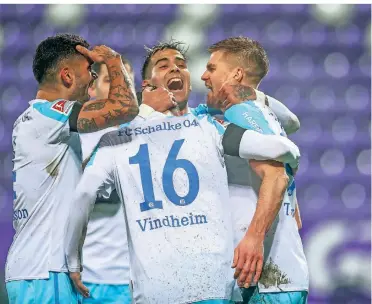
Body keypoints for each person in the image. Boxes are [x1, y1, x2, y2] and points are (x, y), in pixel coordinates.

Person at [67, 40, 300, 303]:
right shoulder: (210, 128)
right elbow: (282, 144)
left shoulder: (119, 139)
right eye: (163, 65)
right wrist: (291, 165)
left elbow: (83, 193)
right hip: (210, 287)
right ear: (146, 85)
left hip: (154, 290)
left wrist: (73, 260)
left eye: (181, 65)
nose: (176, 69)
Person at [5, 33, 138, 304]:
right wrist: (113, 60)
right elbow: (125, 107)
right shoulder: (52, 115)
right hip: (44, 271)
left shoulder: (37, 120)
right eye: (88, 70)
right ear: (67, 76)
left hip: (43, 269)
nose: (91, 78)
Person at [201, 36, 309, 303]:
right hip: (276, 275)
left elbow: (276, 175)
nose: (204, 76)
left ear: (236, 74)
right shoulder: (264, 112)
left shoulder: (240, 113)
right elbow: (292, 124)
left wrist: (253, 238)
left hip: (266, 278)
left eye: (212, 68)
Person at [79, 57, 177, 304]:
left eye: (125, 82)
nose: (119, 89)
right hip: (89, 276)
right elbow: (84, 190)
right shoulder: (77, 138)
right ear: (91, 88)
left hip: (139, 279)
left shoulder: (150, 130)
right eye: (111, 80)